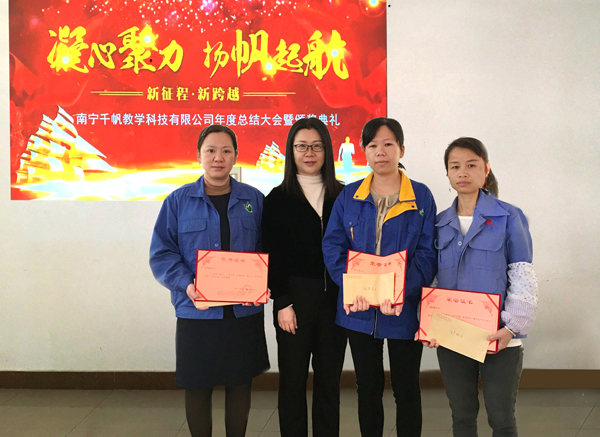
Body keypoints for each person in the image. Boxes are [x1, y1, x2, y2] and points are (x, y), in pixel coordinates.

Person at [149, 125, 270, 437]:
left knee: (240, 383)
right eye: (211, 151)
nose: (218, 157)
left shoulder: (254, 199)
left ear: (236, 156)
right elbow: (162, 253)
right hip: (197, 311)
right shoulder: (178, 201)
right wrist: (187, 284)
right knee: (197, 384)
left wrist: (263, 280)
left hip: (242, 311)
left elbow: (267, 248)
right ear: (199, 155)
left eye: (226, 151)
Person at [322, 117, 437, 437]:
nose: (380, 152)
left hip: (403, 308)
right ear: (364, 151)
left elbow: (427, 253)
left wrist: (400, 290)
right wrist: (350, 285)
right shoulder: (349, 196)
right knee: (368, 388)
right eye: (373, 145)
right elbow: (332, 245)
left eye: (388, 144)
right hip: (358, 309)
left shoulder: (421, 196)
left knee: (406, 388)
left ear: (402, 149)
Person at [425, 137, 537, 437]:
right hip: (453, 336)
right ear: (448, 173)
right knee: (462, 416)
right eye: (455, 166)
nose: (463, 172)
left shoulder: (509, 216)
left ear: (486, 169)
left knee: (501, 418)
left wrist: (512, 326)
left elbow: (522, 273)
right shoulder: (440, 223)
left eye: (471, 165)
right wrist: (429, 324)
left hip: (499, 336)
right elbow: (434, 279)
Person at [262, 118, 347, 437]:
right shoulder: (277, 198)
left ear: (327, 150)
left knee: (329, 383)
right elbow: (271, 255)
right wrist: (282, 301)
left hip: (335, 301)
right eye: (301, 146)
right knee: (292, 381)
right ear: (291, 151)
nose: (309, 153)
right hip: (294, 301)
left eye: (316, 146)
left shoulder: (343, 195)